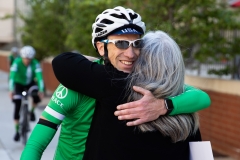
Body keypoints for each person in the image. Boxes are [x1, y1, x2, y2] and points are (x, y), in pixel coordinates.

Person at [20, 6, 210, 160]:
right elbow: (37, 143)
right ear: (101, 47)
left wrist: (163, 105)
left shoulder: (141, 88)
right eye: (121, 44)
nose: (131, 53)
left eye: (137, 44)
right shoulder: (75, 85)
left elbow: (200, 96)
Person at [9, 45, 44, 141]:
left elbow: (40, 78)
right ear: (22, 57)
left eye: (29, 59)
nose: (27, 60)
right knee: (17, 104)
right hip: (19, 84)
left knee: (36, 95)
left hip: (30, 83)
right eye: (25, 58)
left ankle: (31, 112)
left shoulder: (35, 63)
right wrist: (11, 89)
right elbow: (12, 77)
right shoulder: (17, 62)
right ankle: (17, 131)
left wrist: (41, 90)